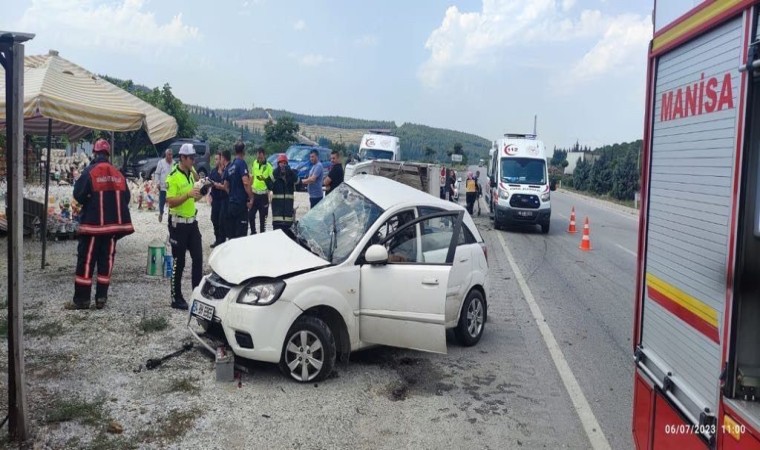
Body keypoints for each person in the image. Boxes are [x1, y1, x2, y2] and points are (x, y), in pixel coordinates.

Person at [68, 138, 134, 310]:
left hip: (92, 227)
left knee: (87, 261)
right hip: (112, 229)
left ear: (95, 153)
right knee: (106, 262)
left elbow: (79, 195)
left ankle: (82, 300)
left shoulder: (90, 172)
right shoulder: (118, 174)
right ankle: (101, 299)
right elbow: (126, 198)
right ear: (108, 154)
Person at [165, 143, 207, 310]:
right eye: (191, 158)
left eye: (194, 157)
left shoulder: (191, 174)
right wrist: (188, 194)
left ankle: (196, 295)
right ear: (182, 157)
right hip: (178, 223)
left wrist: (201, 193)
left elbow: (193, 198)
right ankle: (176, 298)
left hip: (192, 222)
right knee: (179, 262)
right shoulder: (173, 176)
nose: (193, 160)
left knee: (198, 258)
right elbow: (170, 201)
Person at [224, 141, 253, 239]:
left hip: (231, 205)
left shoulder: (231, 166)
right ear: (243, 151)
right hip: (241, 206)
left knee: (231, 236)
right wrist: (251, 197)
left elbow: (225, 185)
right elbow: (245, 182)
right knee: (240, 237)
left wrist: (232, 194)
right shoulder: (242, 164)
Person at [249, 147, 273, 234]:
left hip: (264, 196)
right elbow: (252, 177)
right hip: (255, 195)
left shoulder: (269, 166)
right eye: (258, 157)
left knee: (263, 219)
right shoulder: (254, 163)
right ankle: (253, 233)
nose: (259, 159)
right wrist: (249, 192)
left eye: (261, 158)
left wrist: (269, 192)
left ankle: (262, 235)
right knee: (251, 216)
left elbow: (272, 182)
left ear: (264, 155)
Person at [271, 154, 298, 231]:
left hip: (288, 219)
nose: (283, 165)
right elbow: (269, 185)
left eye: (284, 163)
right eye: (281, 163)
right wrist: (275, 174)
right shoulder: (275, 177)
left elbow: (299, 184)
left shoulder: (291, 177)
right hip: (277, 219)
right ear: (278, 165)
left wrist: (292, 174)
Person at [208, 152, 228, 247]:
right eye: (215, 159)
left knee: (222, 221)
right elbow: (209, 184)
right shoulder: (213, 171)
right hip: (215, 200)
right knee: (214, 219)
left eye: (217, 159)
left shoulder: (226, 171)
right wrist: (210, 195)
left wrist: (217, 185)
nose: (215, 161)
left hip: (224, 200)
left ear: (221, 159)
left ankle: (222, 240)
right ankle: (217, 239)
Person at [154, 148, 173, 222]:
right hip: (162, 187)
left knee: (171, 203)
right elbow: (157, 173)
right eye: (169, 155)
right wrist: (157, 183)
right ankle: (161, 213)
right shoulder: (161, 163)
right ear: (166, 155)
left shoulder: (174, 163)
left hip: (171, 187)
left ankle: (170, 217)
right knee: (161, 202)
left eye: (171, 155)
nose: (170, 156)